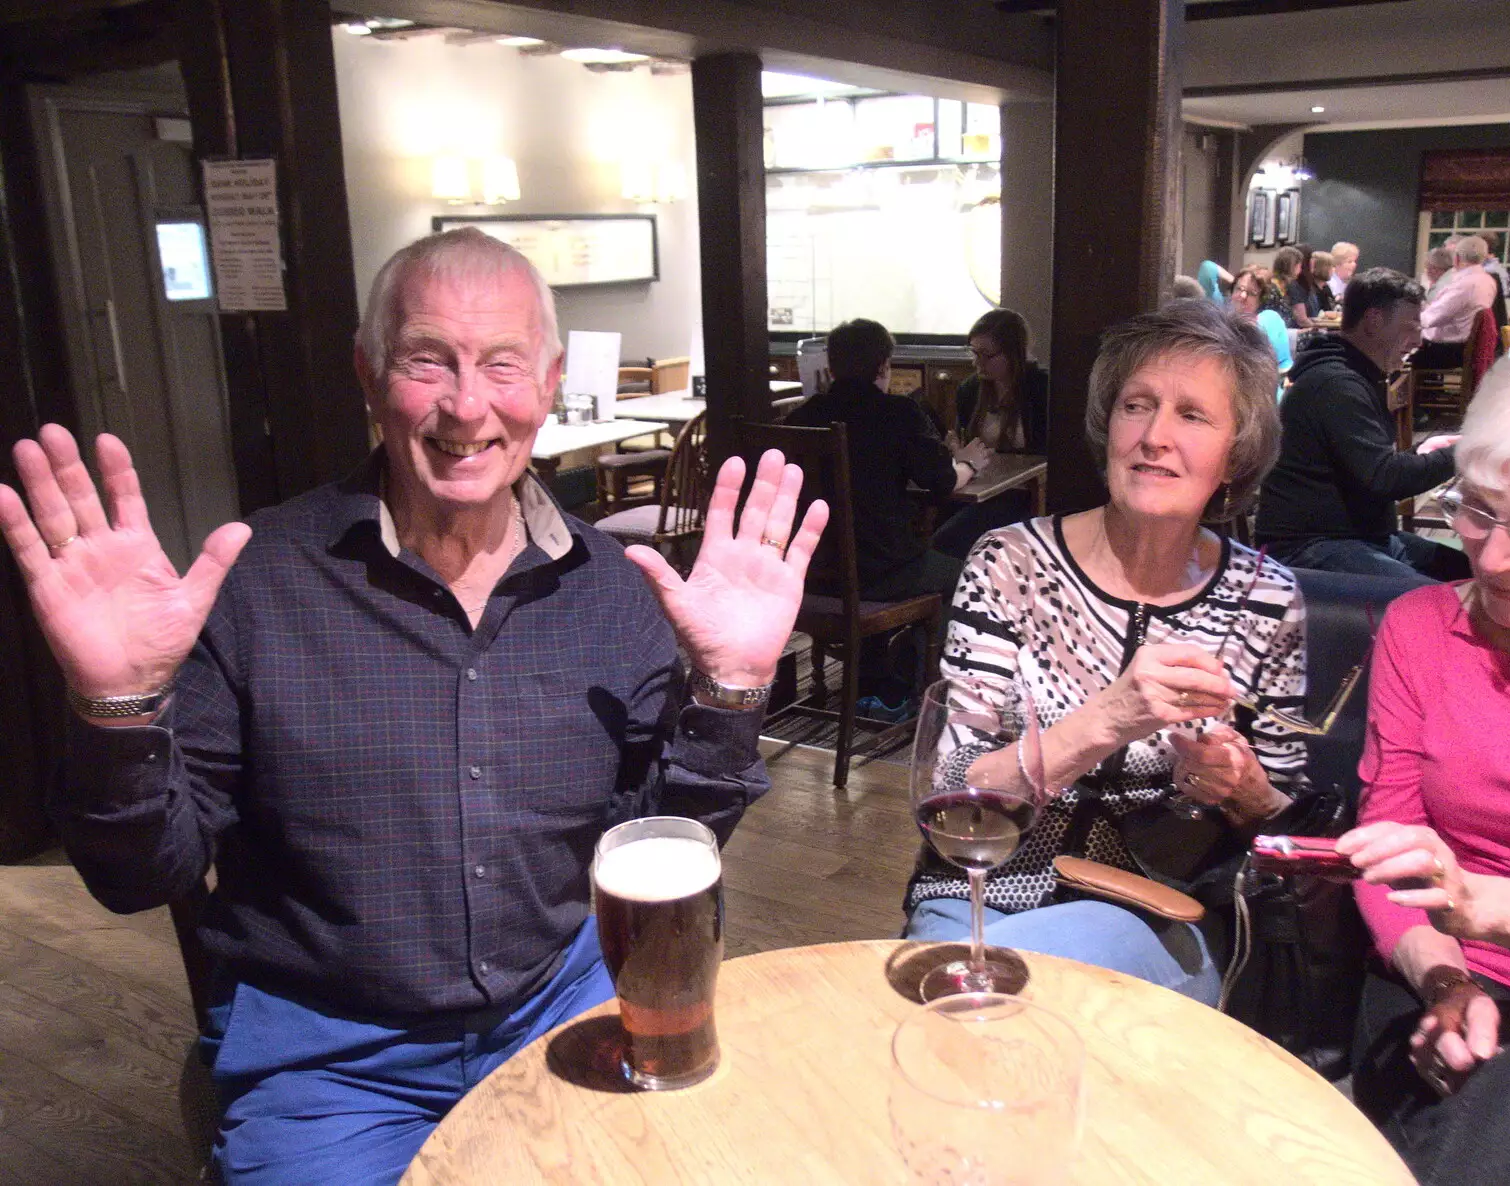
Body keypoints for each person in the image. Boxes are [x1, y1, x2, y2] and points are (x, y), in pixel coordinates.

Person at [0, 227, 828, 1184]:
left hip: (561, 1005)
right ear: (368, 372)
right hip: (329, 1055)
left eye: (502, 365)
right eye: (427, 359)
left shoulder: (613, 589)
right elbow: (140, 876)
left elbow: (653, 843)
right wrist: (120, 706)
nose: (466, 406)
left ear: (550, 381)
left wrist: (728, 691)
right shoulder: (261, 580)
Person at [902, 299, 1326, 1006]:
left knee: (970, 1001)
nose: (1155, 436)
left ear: (1236, 454)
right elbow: (955, 791)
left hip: (1157, 914)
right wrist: (1110, 717)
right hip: (981, 892)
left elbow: (1285, 814)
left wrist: (1238, 786)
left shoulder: (1269, 600)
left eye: (1191, 415)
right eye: (1137, 406)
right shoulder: (1010, 565)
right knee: (977, 1004)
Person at [1336, 332, 1510, 1186]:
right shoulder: (1421, 628)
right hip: (1436, 970)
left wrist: (1499, 910)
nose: (1490, 556)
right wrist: (1447, 980)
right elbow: (1389, 836)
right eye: (1476, 510)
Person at [787, 317, 983, 714]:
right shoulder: (897, 413)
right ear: (883, 366)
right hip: (881, 572)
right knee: (970, 578)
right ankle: (911, 686)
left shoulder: (802, 417)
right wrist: (969, 465)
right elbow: (941, 481)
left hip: (810, 573)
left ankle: (874, 675)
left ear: (832, 364)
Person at [1254, 268, 1471, 587]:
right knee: (1431, 600)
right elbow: (1384, 479)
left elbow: (1369, 468)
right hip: (1308, 547)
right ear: (1373, 320)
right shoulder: (1336, 384)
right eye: (1411, 325)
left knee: (1472, 572)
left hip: (1361, 536)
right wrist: (1466, 452)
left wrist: (1422, 452)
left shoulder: (1353, 375)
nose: (1418, 340)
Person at [930, 308, 1048, 562]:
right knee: (934, 525)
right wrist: (957, 450)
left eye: (987, 355)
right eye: (974, 353)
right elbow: (967, 442)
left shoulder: (1042, 389)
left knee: (947, 540)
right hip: (980, 486)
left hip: (1020, 492)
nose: (977, 363)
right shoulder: (970, 390)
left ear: (1013, 354)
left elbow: (1045, 454)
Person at [1414, 235, 1497, 369]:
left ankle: (1393, 388)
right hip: (1468, 347)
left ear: (1456, 258)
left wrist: (1404, 320)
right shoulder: (1488, 281)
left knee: (1401, 345)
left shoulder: (1465, 284)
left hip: (1449, 350)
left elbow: (1429, 320)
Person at [1229, 265, 1294, 382]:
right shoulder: (1224, 321)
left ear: (1261, 299)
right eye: (1239, 289)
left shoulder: (1269, 320)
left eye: (1252, 293)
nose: (1242, 296)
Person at [1287, 242, 1322, 327]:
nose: (1314, 261)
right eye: (1312, 258)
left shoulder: (1307, 283)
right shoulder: (1294, 285)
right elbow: (1302, 320)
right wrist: (1319, 329)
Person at [1265, 247, 1301, 322]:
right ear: (1292, 266)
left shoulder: (1284, 288)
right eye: (1299, 266)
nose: (1300, 270)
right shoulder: (1272, 289)